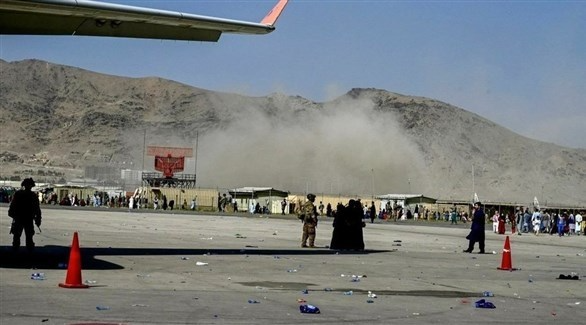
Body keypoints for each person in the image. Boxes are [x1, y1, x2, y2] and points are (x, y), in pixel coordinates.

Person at [8, 178, 42, 252]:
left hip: (21, 219)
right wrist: (38, 218)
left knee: (19, 237)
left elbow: (12, 207)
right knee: (27, 237)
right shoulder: (32, 195)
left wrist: (12, 214)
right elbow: (37, 209)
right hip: (26, 219)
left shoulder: (19, 194)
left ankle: (16, 251)